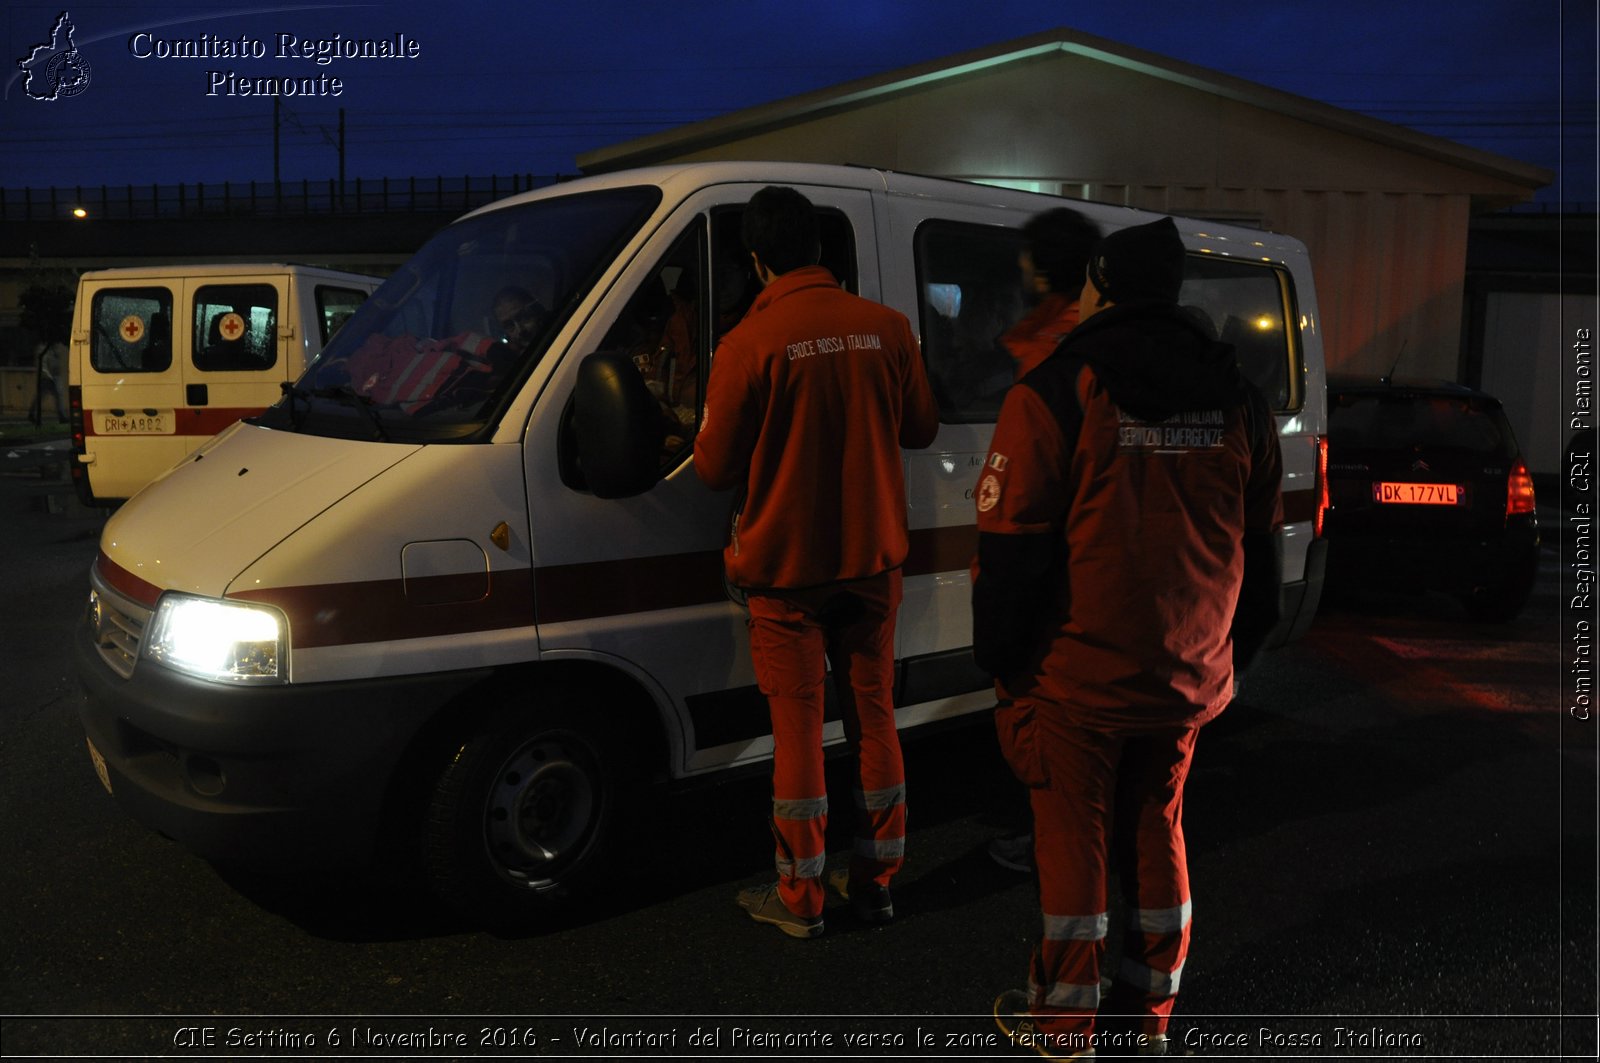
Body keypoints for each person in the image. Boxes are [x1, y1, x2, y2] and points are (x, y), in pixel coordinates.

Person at [974, 216, 1283, 1057]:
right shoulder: (1240, 400)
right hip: (1187, 672)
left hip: (1078, 675)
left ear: (1100, 287)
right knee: (1159, 826)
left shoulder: (1056, 390)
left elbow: (1010, 555)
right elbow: (1260, 556)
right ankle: (1146, 1017)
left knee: (1073, 839)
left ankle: (1065, 1027)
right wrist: (1230, 658)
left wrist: (1004, 664)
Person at [694, 186, 939, 939]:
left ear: (758, 260)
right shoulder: (887, 328)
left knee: (798, 730)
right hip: (871, 567)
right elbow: (921, 428)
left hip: (786, 576)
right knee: (875, 716)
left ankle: (801, 898)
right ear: (823, 251)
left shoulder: (747, 345)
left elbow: (712, 466)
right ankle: (878, 881)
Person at [988, 207, 1100, 876]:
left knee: (1037, 704)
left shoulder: (1030, 349)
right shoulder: (1104, 344)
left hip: (1038, 552)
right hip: (1093, 559)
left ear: (1043, 267)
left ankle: (1043, 840)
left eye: (1028, 258)